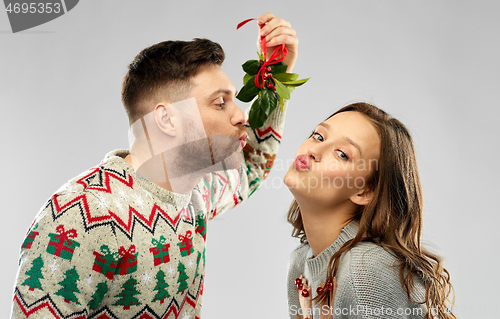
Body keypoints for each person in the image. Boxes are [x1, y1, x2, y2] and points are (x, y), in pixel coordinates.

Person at [11, 12, 298, 319]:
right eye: (220, 102)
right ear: (166, 119)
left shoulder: (193, 194)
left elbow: (251, 166)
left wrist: (275, 76)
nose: (241, 115)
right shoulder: (78, 215)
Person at [284, 103, 456, 319]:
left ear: (364, 191)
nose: (314, 151)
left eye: (342, 154)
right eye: (318, 136)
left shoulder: (365, 270)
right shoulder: (301, 264)